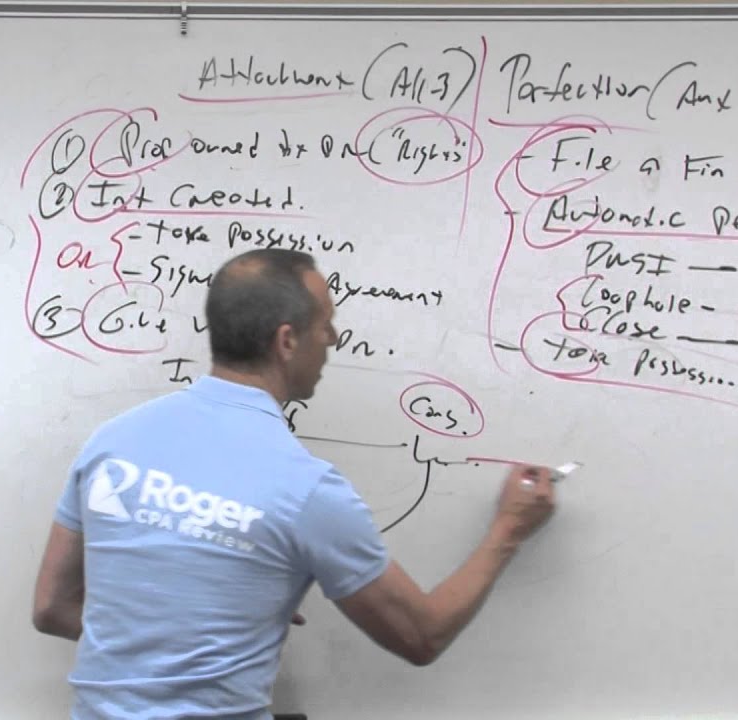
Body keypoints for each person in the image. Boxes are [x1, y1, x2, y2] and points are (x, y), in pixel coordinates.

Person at [33, 248, 557, 719]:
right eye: (326, 324)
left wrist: (181, 637)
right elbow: (422, 636)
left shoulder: (113, 441)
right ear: (286, 341)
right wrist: (508, 530)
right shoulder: (305, 489)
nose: (333, 338)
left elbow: (52, 608)